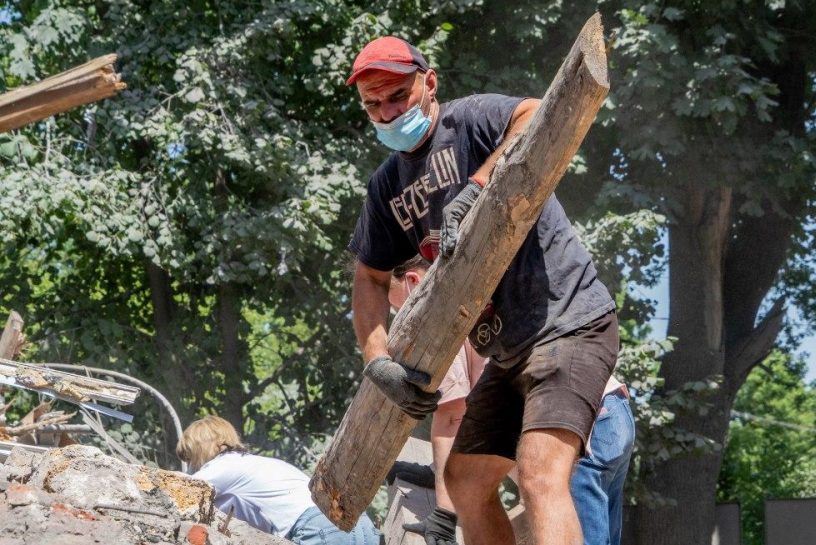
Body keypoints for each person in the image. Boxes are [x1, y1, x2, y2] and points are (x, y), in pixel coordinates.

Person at [346, 35, 619, 545]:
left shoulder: (469, 120)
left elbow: (538, 113)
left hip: (569, 323)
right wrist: (376, 357)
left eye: (396, 97)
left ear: (428, 83)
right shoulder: (386, 187)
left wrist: (477, 187)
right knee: (465, 482)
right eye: (372, 105)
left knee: (539, 475)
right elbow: (369, 276)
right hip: (508, 352)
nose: (385, 113)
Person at [387, 255, 635, 545]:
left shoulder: (441, 320)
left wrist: (444, 516)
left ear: (413, 282)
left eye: (398, 308)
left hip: (580, 429)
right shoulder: (480, 287)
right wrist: (438, 474)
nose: (400, 318)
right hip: (613, 411)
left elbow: (453, 416)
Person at [176, 416, 380, 545]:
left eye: (189, 458)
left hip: (320, 530)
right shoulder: (257, 464)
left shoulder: (222, 467)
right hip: (358, 526)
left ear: (199, 448)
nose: (192, 466)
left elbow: (177, 491)